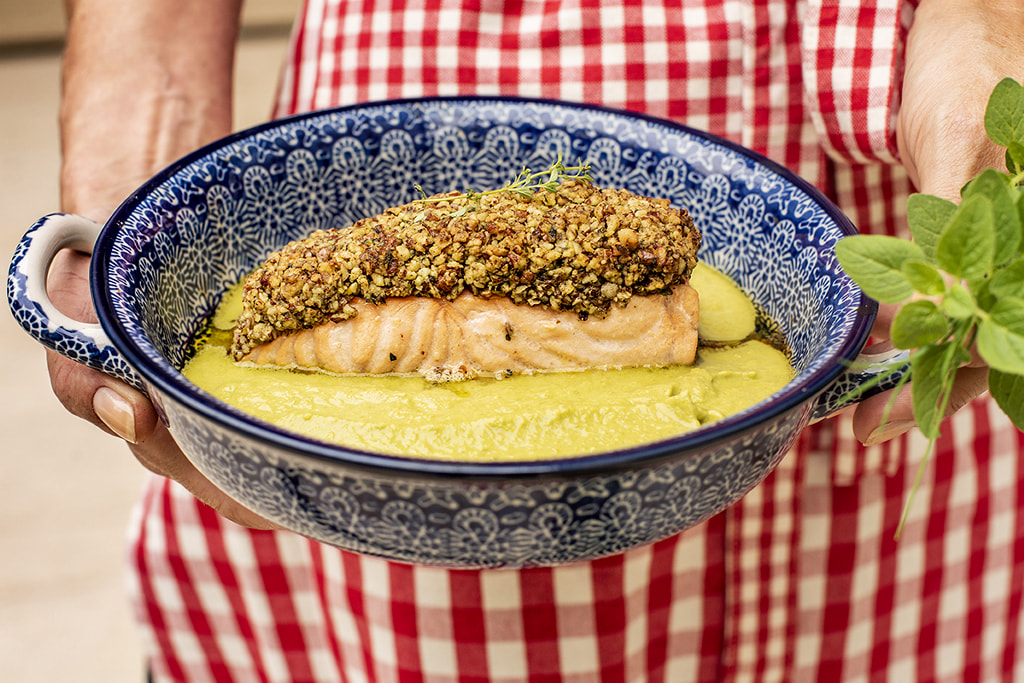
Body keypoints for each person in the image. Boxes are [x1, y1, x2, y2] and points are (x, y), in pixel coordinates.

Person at [47, 0, 1024, 680]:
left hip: (871, 207)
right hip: (407, 82)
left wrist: (990, 19)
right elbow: (152, 42)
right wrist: (135, 230)